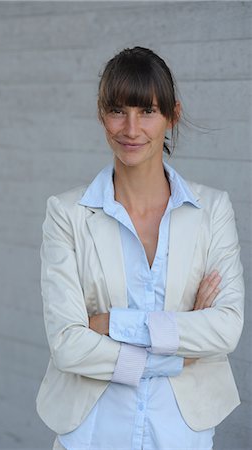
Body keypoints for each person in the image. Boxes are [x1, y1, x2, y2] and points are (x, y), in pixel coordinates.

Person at [36, 47, 244, 450]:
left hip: (180, 431)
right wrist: (176, 349)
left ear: (172, 115)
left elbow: (225, 328)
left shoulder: (212, 210)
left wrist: (112, 323)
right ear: (101, 115)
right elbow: (67, 344)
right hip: (92, 431)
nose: (131, 128)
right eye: (117, 110)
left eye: (147, 111)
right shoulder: (66, 214)